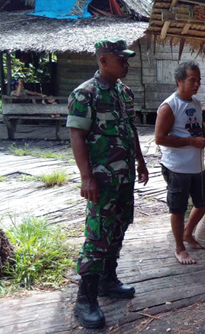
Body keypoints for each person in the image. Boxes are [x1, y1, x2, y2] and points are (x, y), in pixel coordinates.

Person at [67, 38, 149, 329]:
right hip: (101, 181)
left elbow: (131, 129)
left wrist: (140, 160)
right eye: (121, 59)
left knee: (120, 226)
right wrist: (86, 177)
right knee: (98, 235)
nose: (126, 63)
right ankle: (85, 298)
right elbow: (77, 136)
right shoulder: (85, 94)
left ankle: (107, 280)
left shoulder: (124, 93)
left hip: (124, 177)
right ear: (103, 61)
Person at [155, 61, 205, 265]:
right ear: (179, 81)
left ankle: (187, 233)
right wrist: (191, 142)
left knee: (204, 201)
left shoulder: (196, 103)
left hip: (197, 166)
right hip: (177, 168)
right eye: (192, 80)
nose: (197, 84)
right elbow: (159, 138)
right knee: (178, 209)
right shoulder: (169, 107)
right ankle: (179, 248)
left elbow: (196, 128)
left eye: (199, 80)